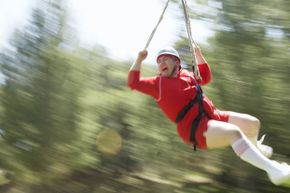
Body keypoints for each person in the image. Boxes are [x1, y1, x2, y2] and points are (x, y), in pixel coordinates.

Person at [127, 47, 290, 185]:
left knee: (253, 123)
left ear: (176, 62)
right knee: (233, 133)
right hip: (194, 127)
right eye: (159, 61)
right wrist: (139, 59)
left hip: (212, 115)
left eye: (166, 59)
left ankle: (257, 151)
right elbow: (133, 82)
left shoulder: (187, 75)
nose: (161, 63)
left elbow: (205, 76)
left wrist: (197, 53)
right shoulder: (158, 85)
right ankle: (273, 170)